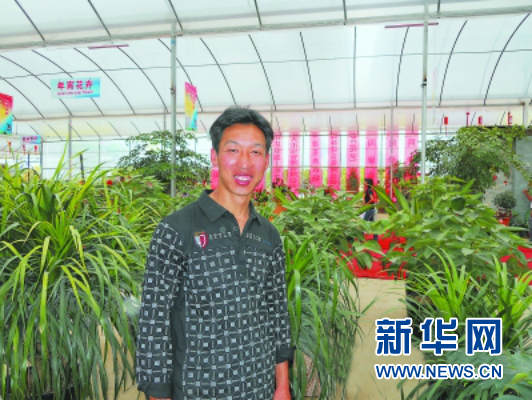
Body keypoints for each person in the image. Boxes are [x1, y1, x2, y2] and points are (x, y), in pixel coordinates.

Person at [136, 107, 293, 400]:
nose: (244, 163)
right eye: (233, 150)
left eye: (255, 152)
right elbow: (153, 324)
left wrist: (282, 386)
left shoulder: (268, 234)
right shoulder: (176, 230)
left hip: (259, 388)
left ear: (266, 161)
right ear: (214, 157)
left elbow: (277, 313)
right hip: (196, 390)